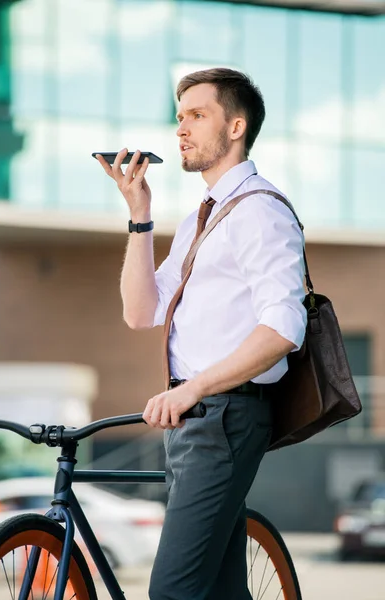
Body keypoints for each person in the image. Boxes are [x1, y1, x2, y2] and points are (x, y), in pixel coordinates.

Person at [96, 67, 307, 600]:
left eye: (196, 115)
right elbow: (142, 311)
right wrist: (140, 215)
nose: (180, 130)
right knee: (216, 590)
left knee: (172, 591)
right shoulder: (200, 219)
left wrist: (193, 388)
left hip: (224, 415)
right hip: (195, 420)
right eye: (179, 117)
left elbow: (284, 327)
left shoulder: (258, 210)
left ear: (235, 127)